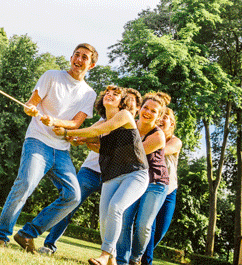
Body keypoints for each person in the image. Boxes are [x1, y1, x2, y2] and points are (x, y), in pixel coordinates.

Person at [0, 44, 98, 252]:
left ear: (91, 65)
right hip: (37, 141)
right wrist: (30, 108)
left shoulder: (89, 93)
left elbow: (76, 124)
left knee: (73, 196)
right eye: (76, 55)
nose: (78, 59)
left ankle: (27, 233)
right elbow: (30, 104)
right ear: (71, 57)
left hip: (61, 151)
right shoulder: (51, 76)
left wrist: (57, 121)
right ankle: (1, 236)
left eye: (84, 57)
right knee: (25, 184)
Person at [58, 87, 147, 265]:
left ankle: (105, 255)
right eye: (107, 93)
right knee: (104, 219)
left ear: (122, 102)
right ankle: (112, 260)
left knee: (116, 207)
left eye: (115, 94)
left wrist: (69, 133)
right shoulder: (101, 123)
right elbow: (88, 134)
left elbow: (93, 132)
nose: (109, 95)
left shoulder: (124, 116)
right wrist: (71, 136)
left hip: (135, 173)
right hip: (111, 175)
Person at [39, 89, 114, 255]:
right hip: (90, 171)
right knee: (70, 203)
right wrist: (72, 136)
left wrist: (95, 143)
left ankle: (115, 256)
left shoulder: (128, 123)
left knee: (116, 214)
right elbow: (84, 136)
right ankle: (49, 244)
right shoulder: (102, 121)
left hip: (113, 175)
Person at [116, 93, 169, 264]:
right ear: (140, 108)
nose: (147, 112)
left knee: (143, 225)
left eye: (153, 111)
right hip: (134, 178)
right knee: (124, 218)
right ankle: (121, 260)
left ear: (159, 117)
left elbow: (133, 154)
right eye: (145, 107)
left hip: (155, 182)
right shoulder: (129, 125)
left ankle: (135, 258)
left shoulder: (158, 135)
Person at [142, 107, 182, 265]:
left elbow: (164, 150)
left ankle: (137, 254)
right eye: (160, 116)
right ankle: (144, 261)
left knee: (159, 232)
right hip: (151, 187)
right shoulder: (148, 137)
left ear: (172, 123)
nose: (161, 119)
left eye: (165, 117)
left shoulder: (175, 140)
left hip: (169, 191)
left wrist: (152, 142)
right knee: (148, 227)